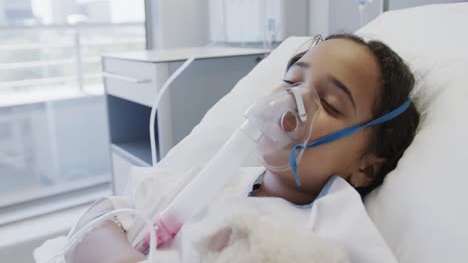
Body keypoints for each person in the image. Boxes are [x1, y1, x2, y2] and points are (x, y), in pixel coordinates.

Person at [65, 33, 420, 263]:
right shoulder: (215, 180)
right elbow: (101, 215)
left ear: (367, 167)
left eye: (328, 103)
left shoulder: (335, 221)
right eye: (291, 81)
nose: (293, 101)